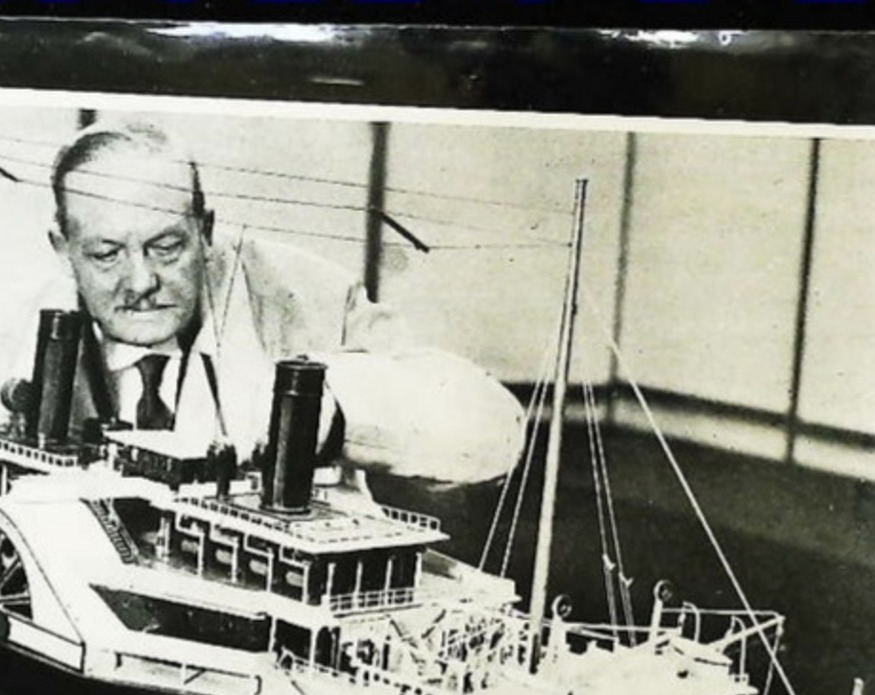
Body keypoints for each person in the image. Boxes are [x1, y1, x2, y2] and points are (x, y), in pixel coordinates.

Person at [39, 120, 524, 484]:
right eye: (106, 254)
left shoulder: (308, 294)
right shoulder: (2, 331)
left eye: (166, 247)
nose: (141, 281)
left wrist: (331, 414)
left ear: (205, 231)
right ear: (63, 251)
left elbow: (494, 430)